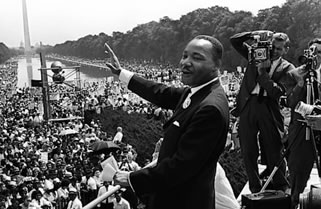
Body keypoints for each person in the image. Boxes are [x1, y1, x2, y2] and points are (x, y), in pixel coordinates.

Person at [106, 35, 229, 209]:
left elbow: (181, 167)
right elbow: (159, 92)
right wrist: (121, 73)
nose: (185, 62)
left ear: (216, 65)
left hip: (184, 201)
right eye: (185, 55)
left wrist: (131, 179)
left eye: (197, 57)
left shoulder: (210, 108)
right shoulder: (197, 92)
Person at [230, 31, 294, 193]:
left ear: (286, 50)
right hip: (248, 105)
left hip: (269, 108)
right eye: (273, 47)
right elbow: (235, 41)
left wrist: (262, 73)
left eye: (279, 49)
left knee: (274, 148)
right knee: (248, 149)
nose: (274, 51)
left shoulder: (287, 68)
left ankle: (281, 185)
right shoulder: (255, 55)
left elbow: (278, 92)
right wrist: (253, 34)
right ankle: (255, 187)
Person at [284, 38, 321, 208]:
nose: (316, 55)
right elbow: (290, 102)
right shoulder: (295, 73)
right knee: (298, 175)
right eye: (313, 51)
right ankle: (294, 201)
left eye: (319, 52)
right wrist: (300, 84)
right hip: (301, 131)